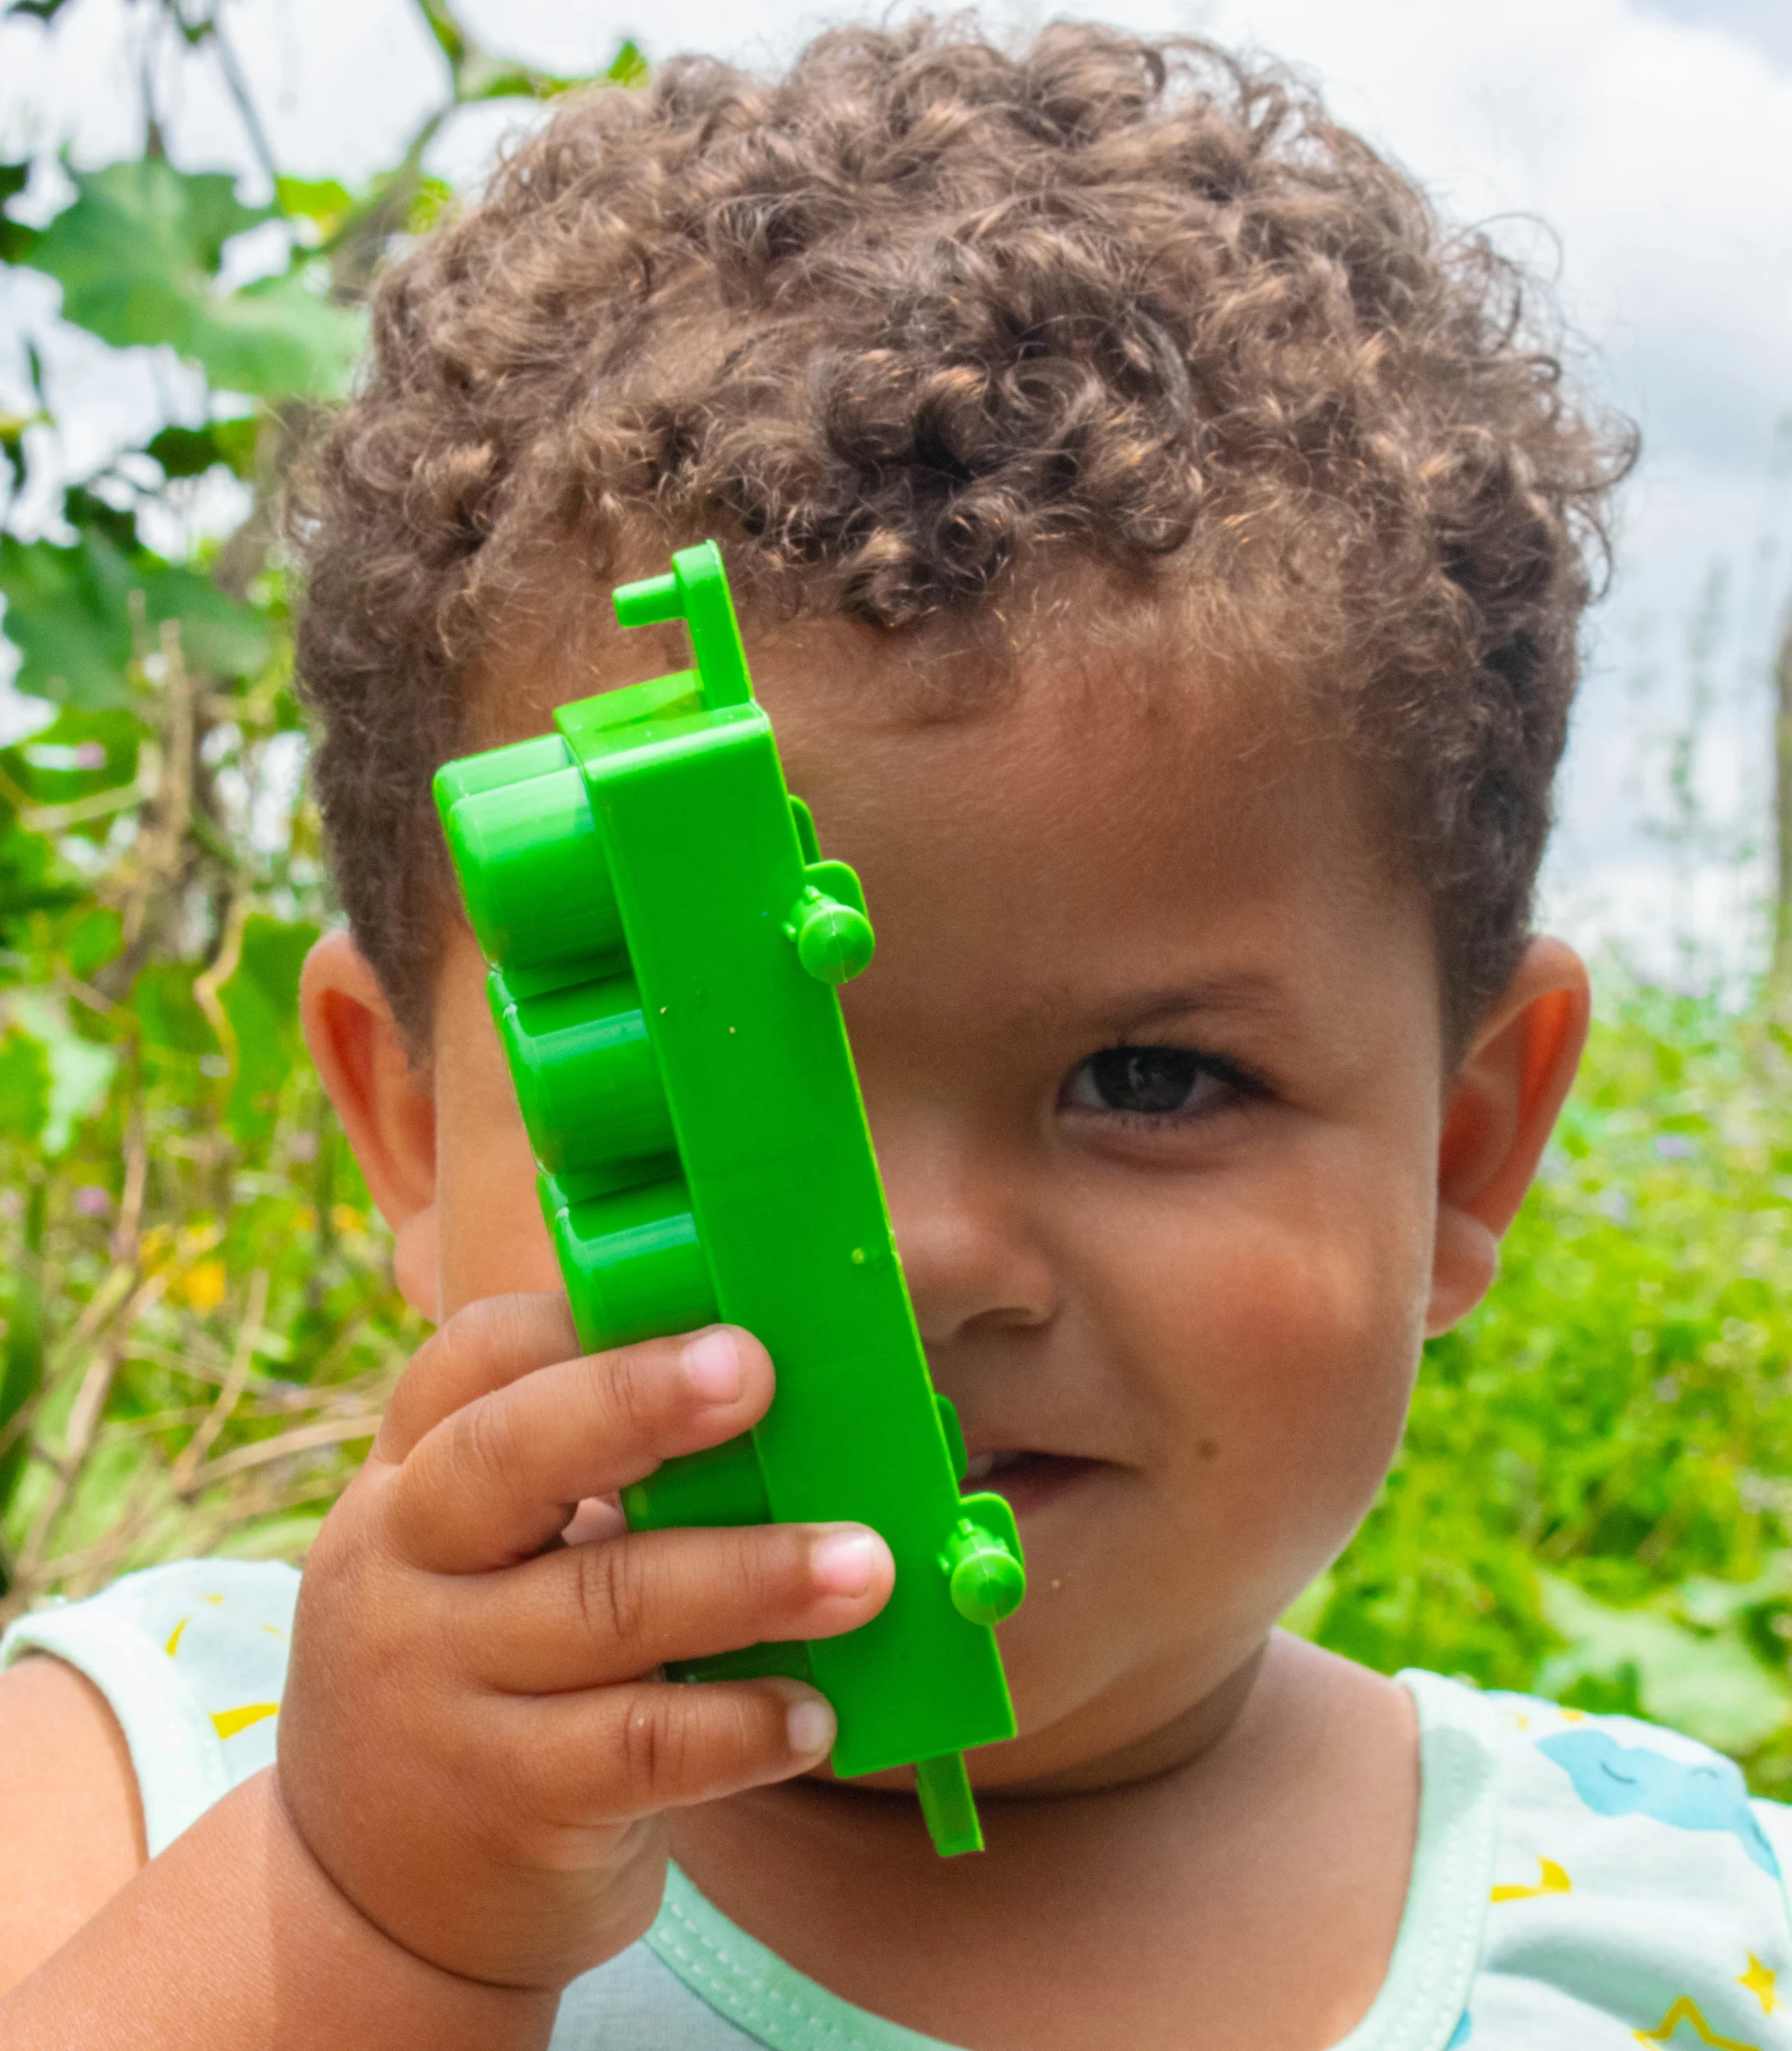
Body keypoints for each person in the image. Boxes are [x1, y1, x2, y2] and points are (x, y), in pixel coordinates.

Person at [0, 18, 1782, 2048]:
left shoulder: (1676, 1934)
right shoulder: (157, 1777)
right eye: (682, 1074)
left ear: (1463, 1147)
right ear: (406, 1120)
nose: (926, 1251)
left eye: (1149, 1078)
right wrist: (365, 1918)